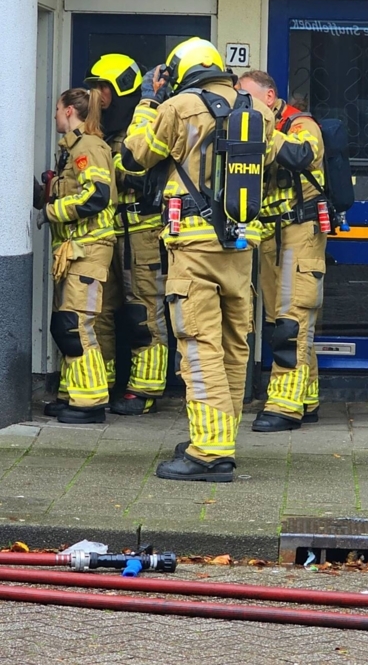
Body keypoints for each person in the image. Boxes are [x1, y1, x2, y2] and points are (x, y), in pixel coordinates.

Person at [121, 38, 314, 481]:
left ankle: (207, 453)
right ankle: (219, 438)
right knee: (232, 344)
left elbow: (134, 157)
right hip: (241, 246)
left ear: (183, 70)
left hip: (193, 248)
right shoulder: (256, 108)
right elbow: (283, 157)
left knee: (199, 344)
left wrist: (150, 100)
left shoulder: (180, 106)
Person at [238, 70, 328, 433]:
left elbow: (302, 155)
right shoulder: (260, 130)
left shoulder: (301, 125)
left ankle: (285, 407)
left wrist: (262, 132)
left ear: (270, 97)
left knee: (291, 322)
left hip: (300, 233)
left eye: (248, 98)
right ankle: (306, 398)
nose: (242, 106)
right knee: (282, 321)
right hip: (272, 237)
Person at [85, 55, 170, 416]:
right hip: (108, 234)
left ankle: (145, 389)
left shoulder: (146, 126)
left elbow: (132, 173)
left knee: (144, 312)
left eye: (103, 89)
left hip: (143, 234)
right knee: (100, 311)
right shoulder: (101, 133)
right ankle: (99, 384)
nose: (98, 98)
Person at [34, 88, 117, 424]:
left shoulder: (89, 148)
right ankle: (72, 394)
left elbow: (96, 196)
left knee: (77, 325)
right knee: (64, 325)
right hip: (73, 251)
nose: (54, 115)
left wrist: (52, 211)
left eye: (56, 109)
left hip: (90, 249)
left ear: (70, 112)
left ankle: (90, 403)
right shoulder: (72, 151)